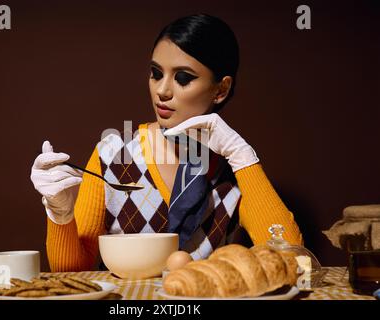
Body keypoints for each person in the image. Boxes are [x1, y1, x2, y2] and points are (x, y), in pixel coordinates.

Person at [30, 14, 303, 272]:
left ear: (221, 89)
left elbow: (290, 259)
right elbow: (74, 273)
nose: (162, 90)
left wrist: (240, 153)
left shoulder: (235, 168)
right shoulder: (114, 155)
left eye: (183, 78)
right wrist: (60, 215)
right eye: (156, 73)